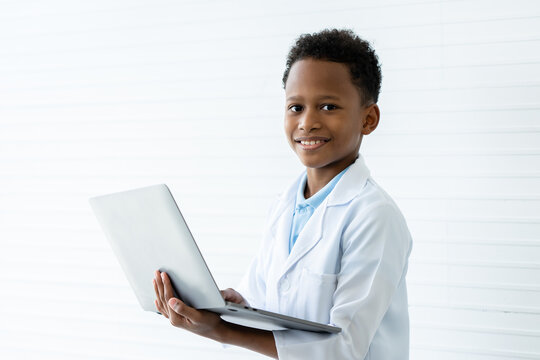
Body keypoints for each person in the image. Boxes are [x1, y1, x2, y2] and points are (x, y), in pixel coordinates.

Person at [153, 28, 413, 359]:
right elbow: (263, 298)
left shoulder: (375, 216)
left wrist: (221, 330)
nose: (307, 122)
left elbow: (344, 348)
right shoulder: (286, 205)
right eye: (295, 107)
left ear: (368, 119)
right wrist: (230, 305)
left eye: (329, 106)